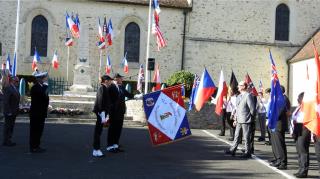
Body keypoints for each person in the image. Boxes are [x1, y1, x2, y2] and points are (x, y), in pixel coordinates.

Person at [225, 81, 256, 158]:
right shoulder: (238, 96)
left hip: (246, 119)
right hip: (239, 119)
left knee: (246, 137)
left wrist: (252, 119)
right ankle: (233, 150)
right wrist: (235, 119)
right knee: (237, 136)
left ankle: (247, 152)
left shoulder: (248, 96)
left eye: (239, 85)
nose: (238, 86)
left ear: (243, 87)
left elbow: (252, 109)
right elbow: (237, 109)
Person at [106, 73, 134, 153]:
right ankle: (110, 146)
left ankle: (115, 145)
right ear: (116, 79)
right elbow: (108, 99)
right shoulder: (111, 87)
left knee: (118, 129)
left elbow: (128, 94)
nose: (122, 79)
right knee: (112, 129)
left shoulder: (121, 87)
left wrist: (137, 96)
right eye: (120, 78)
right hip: (113, 111)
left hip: (121, 111)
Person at [269, 85, 290, 170]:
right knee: (275, 143)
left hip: (279, 124)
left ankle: (283, 162)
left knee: (280, 144)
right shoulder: (279, 99)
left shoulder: (283, 99)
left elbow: (280, 112)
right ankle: (278, 159)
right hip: (275, 124)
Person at [92, 75, 113, 157]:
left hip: (103, 113)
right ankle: (96, 150)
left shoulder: (105, 88)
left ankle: (96, 149)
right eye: (109, 80)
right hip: (101, 113)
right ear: (106, 81)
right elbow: (100, 101)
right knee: (98, 132)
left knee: (99, 132)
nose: (111, 81)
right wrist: (102, 114)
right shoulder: (102, 88)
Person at [290, 92, 310, 177]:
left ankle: (304, 171)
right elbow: (294, 117)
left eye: (299, 97)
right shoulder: (299, 107)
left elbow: (304, 118)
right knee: (299, 150)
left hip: (303, 128)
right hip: (297, 128)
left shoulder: (307, 108)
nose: (297, 99)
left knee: (303, 150)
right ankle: (300, 169)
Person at [29, 72, 49, 153]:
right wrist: (45, 89)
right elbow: (43, 97)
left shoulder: (42, 87)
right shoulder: (35, 88)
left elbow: (46, 97)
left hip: (41, 113)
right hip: (36, 113)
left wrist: (45, 86)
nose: (45, 79)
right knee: (34, 131)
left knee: (39, 131)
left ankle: (37, 145)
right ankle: (33, 147)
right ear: (39, 79)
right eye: (43, 78)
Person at [2, 75, 20, 146]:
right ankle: (6, 141)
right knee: (7, 126)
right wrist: (8, 111)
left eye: (18, 81)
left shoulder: (15, 88)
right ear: (12, 81)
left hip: (14, 111)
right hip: (9, 112)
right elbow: (6, 101)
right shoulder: (8, 88)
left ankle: (9, 140)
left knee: (11, 126)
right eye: (16, 81)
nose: (18, 82)